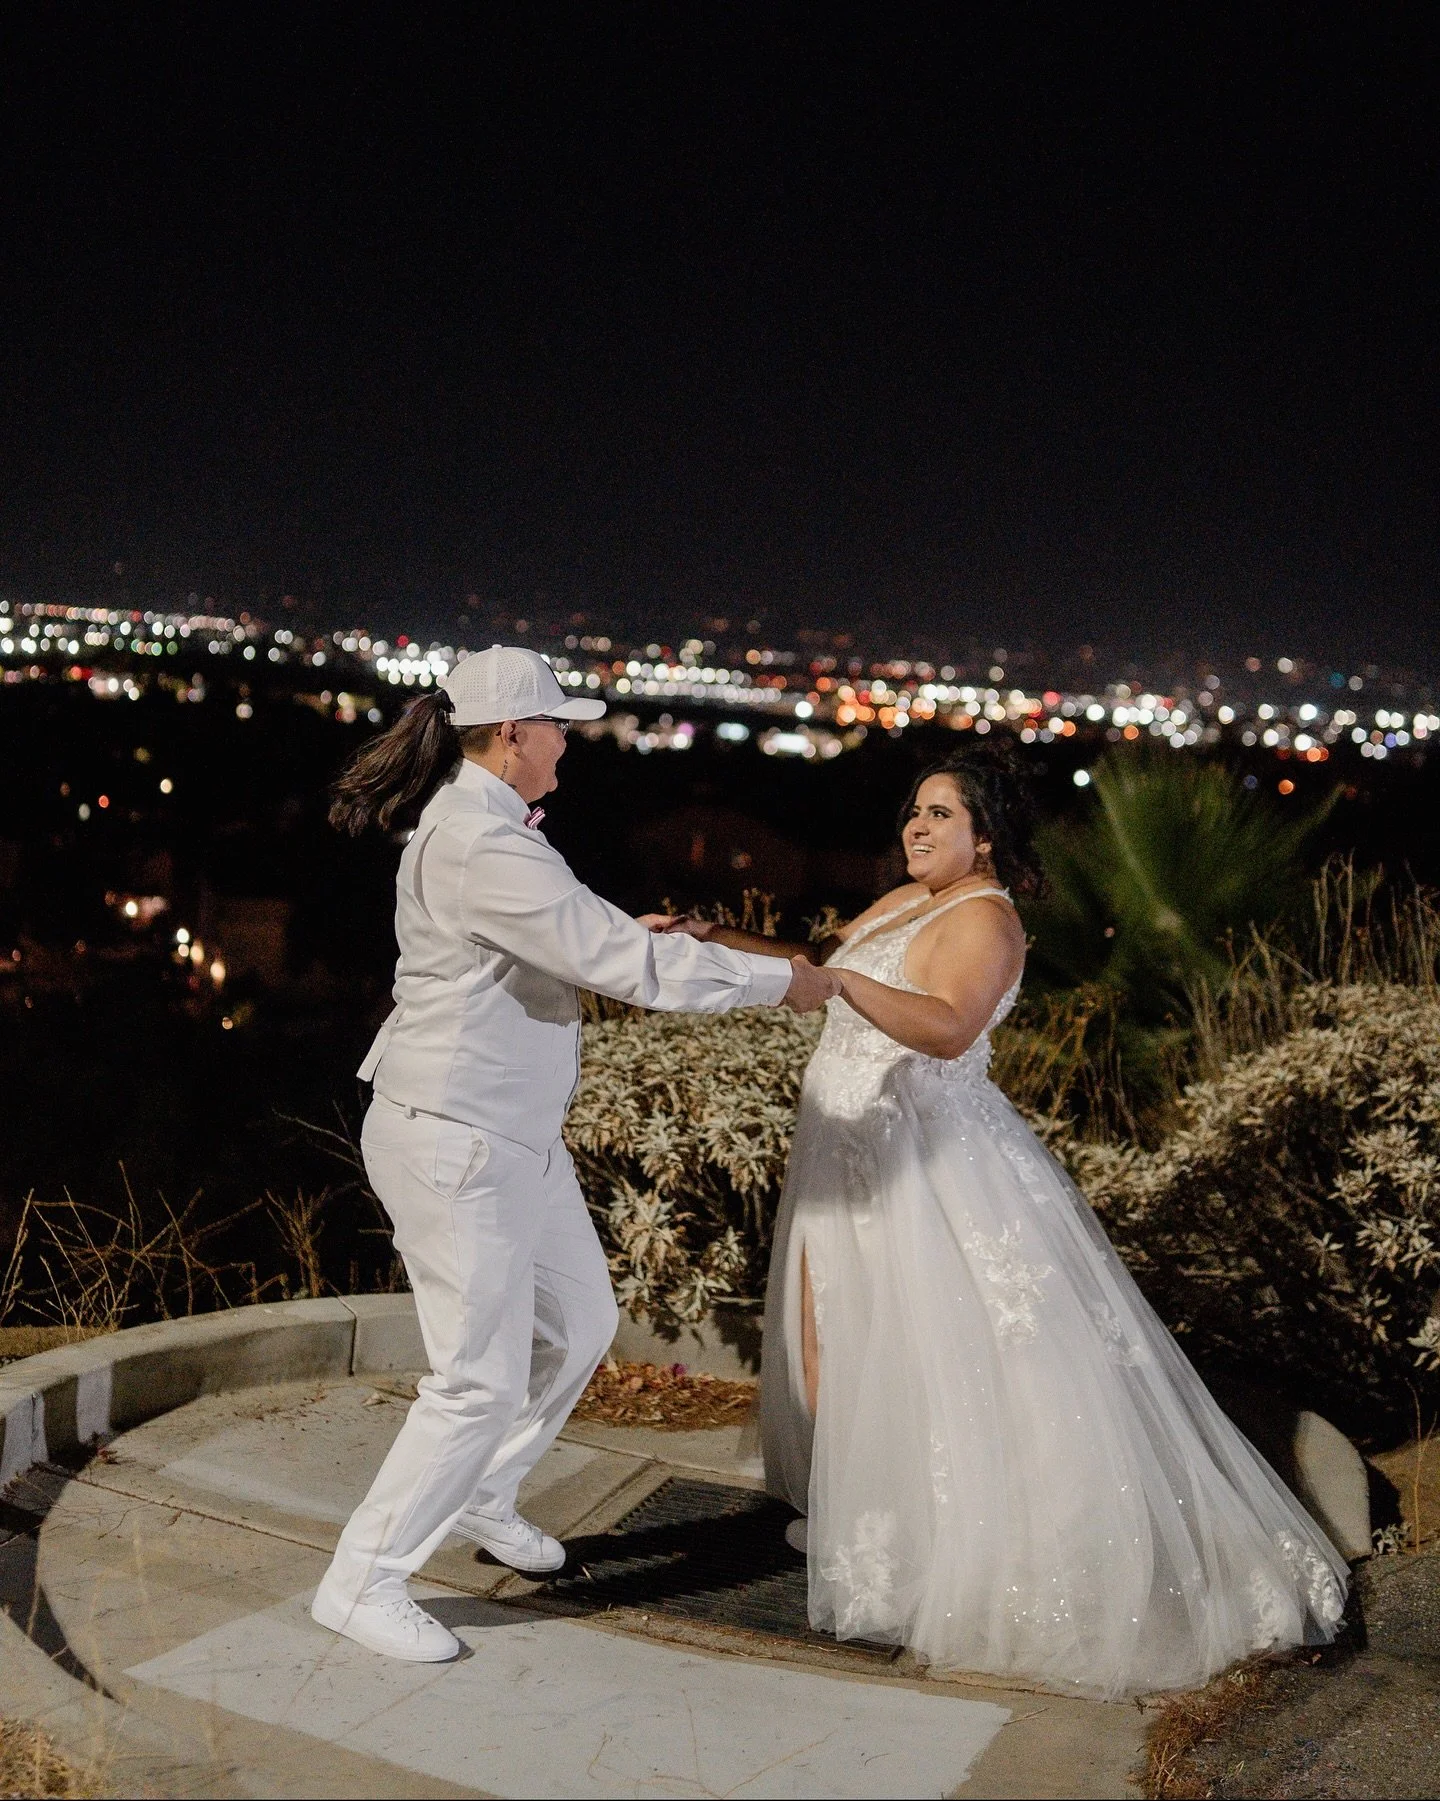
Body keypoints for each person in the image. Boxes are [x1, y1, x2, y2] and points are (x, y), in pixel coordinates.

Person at [660, 741, 1348, 1699]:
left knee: (927, 1349)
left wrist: (849, 987)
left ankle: (932, 1545)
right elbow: (817, 967)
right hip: (847, 1156)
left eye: (941, 813)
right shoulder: (909, 902)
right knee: (829, 1337)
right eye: (914, 811)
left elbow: (944, 1024)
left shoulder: (988, 919)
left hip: (922, 1168)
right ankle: (861, 1512)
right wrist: (710, 940)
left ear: (986, 837)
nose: (917, 826)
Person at [313, 645, 838, 1663]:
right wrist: (782, 983)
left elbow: (574, 939)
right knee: (476, 1380)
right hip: (458, 1136)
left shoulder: (488, 831)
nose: (569, 741)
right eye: (558, 724)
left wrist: (610, 933)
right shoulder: (483, 842)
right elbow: (627, 967)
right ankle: (361, 1579)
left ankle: (484, 1493)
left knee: (584, 1320)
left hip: (510, 1133)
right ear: (514, 735)